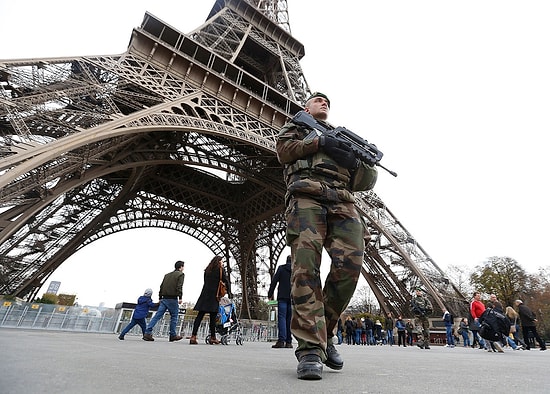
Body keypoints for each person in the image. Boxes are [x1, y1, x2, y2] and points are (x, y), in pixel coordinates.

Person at [276, 92, 378, 380]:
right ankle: (309, 347)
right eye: (318, 100)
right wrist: (319, 142)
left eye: (328, 102)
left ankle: (326, 332)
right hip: (306, 197)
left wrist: (356, 163)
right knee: (305, 267)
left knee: (350, 268)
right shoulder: (297, 127)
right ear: (306, 107)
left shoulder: (346, 140)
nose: (324, 103)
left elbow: (367, 182)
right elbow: (283, 152)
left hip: (343, 202)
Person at [189, 256, 230, 345]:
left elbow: (205, 281)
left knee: (199, 316)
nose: (222, 263)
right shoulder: (220, 270)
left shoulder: (207, 270)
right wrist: (229, 292)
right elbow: (225, 280)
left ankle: (193, 336)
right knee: (213, 317)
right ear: (219, 262)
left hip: (205, 294)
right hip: (214, 295)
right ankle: (213, 337)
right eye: (222, 261)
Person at [143, 261, 185, 342]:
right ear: (181, 267)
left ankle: (147, 332)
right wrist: (180, 297)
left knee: (157, 316)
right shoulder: (181, 274)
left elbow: (161, 286)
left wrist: (160, 297)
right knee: (174, 317)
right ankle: (172, 335)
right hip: (173, 299)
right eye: (183, 267)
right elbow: (179, 286)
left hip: (164, 298)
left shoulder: (167, 275)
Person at [267, 256, 293, 349]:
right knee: (289, 319)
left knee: (281, 318)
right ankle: (289, 342)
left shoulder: (281, 268)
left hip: (282, 296)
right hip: (292, 297)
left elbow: (274, 281)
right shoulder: (296, 270)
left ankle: (281, 340)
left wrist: (270, 293)